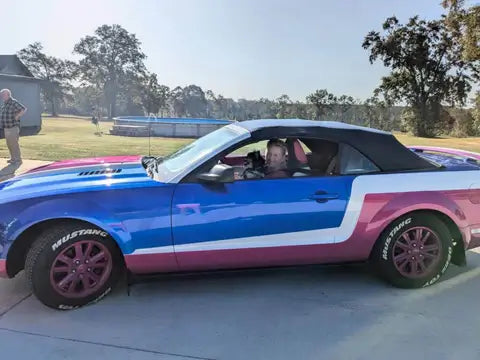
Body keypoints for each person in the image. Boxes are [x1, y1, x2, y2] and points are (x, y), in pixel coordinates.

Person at [0, 89, 27, 165]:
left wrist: (17, 116)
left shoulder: (13, 102)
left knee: (14, 144)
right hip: (6, 127)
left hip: (13, 127)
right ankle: (13, 158)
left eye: (3, 95)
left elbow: (23, 109)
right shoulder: (5, 103)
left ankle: (18, 160)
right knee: (9, 144)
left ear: (8, 95)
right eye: (1, 95)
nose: (2, 96)